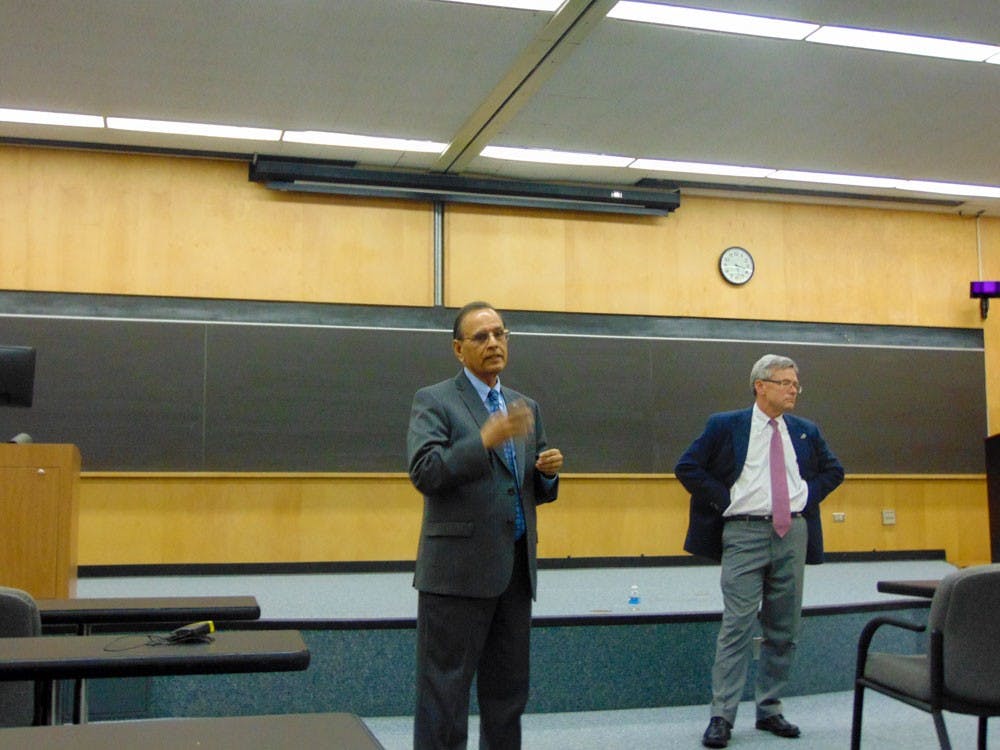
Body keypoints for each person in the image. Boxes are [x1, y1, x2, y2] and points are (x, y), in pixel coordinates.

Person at [407, 301, 564, 750]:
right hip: (455, 573)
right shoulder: (434, 400)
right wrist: (484, 440)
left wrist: (547, 473)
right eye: (481, 336)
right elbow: (426, 473)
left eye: (500, 333)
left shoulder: (524, 404)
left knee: (507, 694)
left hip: (513, 570)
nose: (494, 343)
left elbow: (527, 486)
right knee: (444, 695)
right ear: (459, 349)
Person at [675, 354, 843, 749]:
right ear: (760, 385)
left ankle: (770, 709)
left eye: (796, 384)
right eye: (785, 382)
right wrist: (726, 499)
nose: (793, 390)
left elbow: (834, 470)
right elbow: (687, 466)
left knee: (784, 627)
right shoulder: (725, 425)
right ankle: (722, 715)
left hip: (792, 533)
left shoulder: (804, 430)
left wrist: (804, 496)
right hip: (743, 532)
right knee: (737, 625)